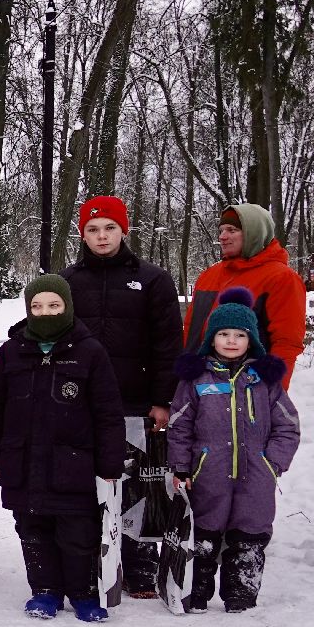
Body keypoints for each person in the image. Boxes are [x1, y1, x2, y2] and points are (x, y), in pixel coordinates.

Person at [0, 275, 126, 622]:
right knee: (32, 531)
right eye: (37, 307)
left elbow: (108, 412)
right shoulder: (13, 351)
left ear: (67, 307)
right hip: (23, 462)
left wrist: (110, 462)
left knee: (78, 533)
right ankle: (44, 590)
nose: (45, 313)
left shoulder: (89, 351)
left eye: (53, 306)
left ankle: (84, 593)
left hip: (73, 464)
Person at [59, 195, 182, 597]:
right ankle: (95, 561)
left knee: (139, 487)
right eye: (93, 229)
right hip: (83, 404)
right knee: (89, 485)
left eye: (109, 228)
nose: (101, 236)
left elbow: (168, 345)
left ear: (123, 230)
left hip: (137, 402)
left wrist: (163, 399)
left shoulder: (153, 279)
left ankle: (141, 567)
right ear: (83, 235)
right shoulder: (70, 281)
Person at [168, 289, 301, 612]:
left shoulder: (263, 380)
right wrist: (182, 467)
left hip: (255, 477)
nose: (230, 340)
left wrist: (273, 464)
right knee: (204, 535)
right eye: (223, 334)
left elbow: (288, 426)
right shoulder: (197, 379)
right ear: (211, 338)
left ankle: (241, 592)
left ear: (251, 339)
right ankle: (195, 591)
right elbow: (179, 426)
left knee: (250, 535)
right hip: (207, 474)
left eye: (239, 335)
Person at [183, 203, 305, 389]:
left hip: (247, 390)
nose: (222, 237)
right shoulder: (209, 276)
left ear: (254, 233)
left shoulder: (281, 278)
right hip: (201, 387)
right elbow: (191, 330)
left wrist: (272, 394)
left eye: (232, 230)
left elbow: (287, 342)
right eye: (222, 230)